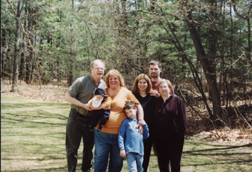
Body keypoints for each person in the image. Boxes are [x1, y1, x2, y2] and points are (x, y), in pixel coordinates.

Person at [93, 69, 145, 172]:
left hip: (119, 135)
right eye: (110, 79)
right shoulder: (103, 91)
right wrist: (102, 106)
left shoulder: (126, 92)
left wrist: (140, 120)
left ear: (119, 80)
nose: (113, 80)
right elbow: (93, 105)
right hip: (101, 134)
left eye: (115, 78)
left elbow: (138, 105)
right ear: (107, 81)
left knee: (117, 162)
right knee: (100, 160)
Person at [65, 59, 107, 172]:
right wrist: (83, 105)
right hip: (76, 118)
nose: (100, 70)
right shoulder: (81, 81)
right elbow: (68, 97)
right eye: (97, 68)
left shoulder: (104, 84)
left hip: (92, 121)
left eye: (102, 68)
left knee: (89, 150)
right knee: (72, 149)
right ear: (91, 69)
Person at [152, 79, 187, 172]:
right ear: (158, 89)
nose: (163, 89)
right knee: (162, 162)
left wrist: (181, 134)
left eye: (165, 87)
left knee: (175, 162)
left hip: (175, 137)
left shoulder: (177, 100)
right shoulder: (156, 102)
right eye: (161, 87)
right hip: (159, 138)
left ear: (170, 88)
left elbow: (183, 119)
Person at [131, 74, 156, 172]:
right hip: (135, 130)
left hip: (149, 130)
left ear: (148, 83)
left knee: (146, 154)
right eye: (140, 82)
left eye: (144, 82)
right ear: (137, 84)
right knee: (135, 155)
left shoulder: (153, 97)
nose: (142, 85)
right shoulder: (132, 95)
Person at [118, 101, 149, 172]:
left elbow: (146, 136)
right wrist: (122, 148)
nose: (129, 114)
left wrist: (144, 125)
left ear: (136, 109)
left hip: (140, 151)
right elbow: (121, 135)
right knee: (132, 169)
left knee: (141, 169)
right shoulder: (126, 122)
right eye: (127, 113)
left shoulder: (140, 122)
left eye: (130, 111)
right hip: (129, 150)